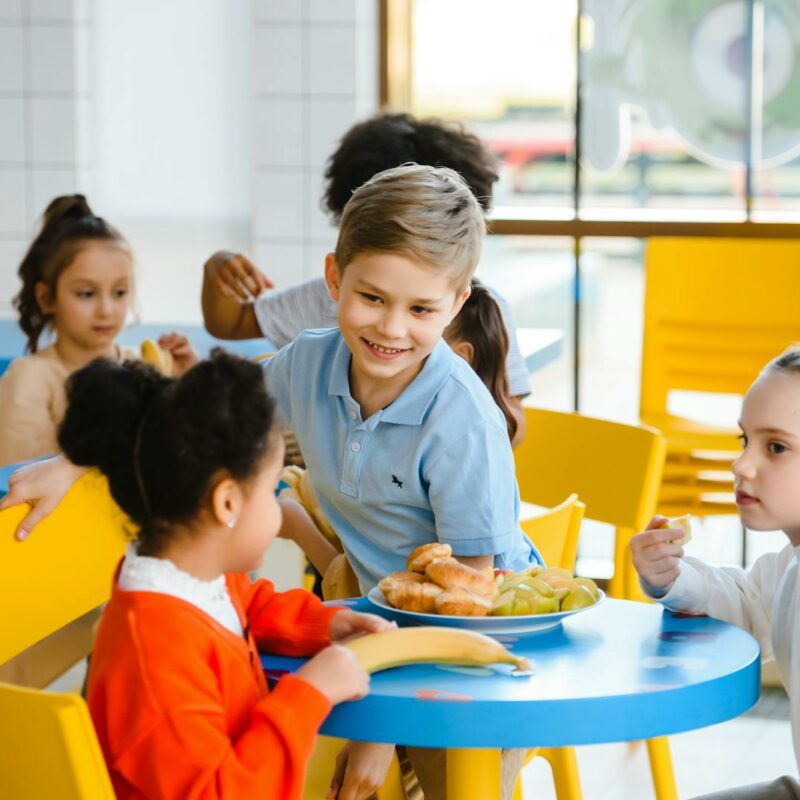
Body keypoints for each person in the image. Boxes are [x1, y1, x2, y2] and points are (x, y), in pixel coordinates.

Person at [56, 350, 391, 799]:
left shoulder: (189, 575)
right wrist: (310, 692)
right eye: (271, 492)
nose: (278, 510)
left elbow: (246, 608)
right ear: (227, 503)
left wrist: (324, 625)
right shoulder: (153, 653)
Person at [201, 112, 530, 446]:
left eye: (420, 308)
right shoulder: (310, 344)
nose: (390, 328)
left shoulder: (481, 313)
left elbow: (508, 421)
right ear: (337, 279)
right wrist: (216, 266)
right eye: (373, 297)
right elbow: (232, 333)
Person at [630, 348, 800, 800]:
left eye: (776, 447)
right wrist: (674, 578)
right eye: (745, 440)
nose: (741, 465)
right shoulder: (790, 565)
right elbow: (749, 603)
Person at [0, 195, 197, 465]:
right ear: (47, 298)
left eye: (119, 292)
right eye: (86, 293)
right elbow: (17, 479)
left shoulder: (139, 364)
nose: (106, 310)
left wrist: (186, 385)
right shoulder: (29, 380)